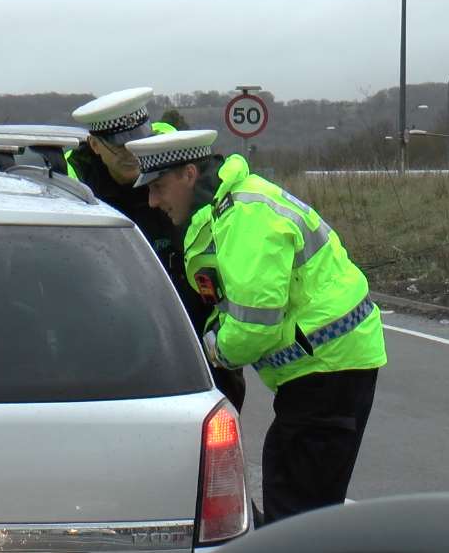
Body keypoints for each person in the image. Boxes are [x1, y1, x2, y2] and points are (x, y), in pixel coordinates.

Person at [126, 129, 387, 524]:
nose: (152, 200)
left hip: (326, 371)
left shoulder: (245, 220)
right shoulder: (230, 206)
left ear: (190, 174)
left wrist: (212, 349)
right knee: (303, 501)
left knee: (296, 510)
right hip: (329, 366)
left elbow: (253, 326)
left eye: (159, 187)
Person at [67, 88, 245, 412]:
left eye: (139, 142)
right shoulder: (74, 185)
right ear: (95, 146)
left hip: (194, 328)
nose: (134, 157)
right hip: (115, 332)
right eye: (121, 150)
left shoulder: (179, 161)